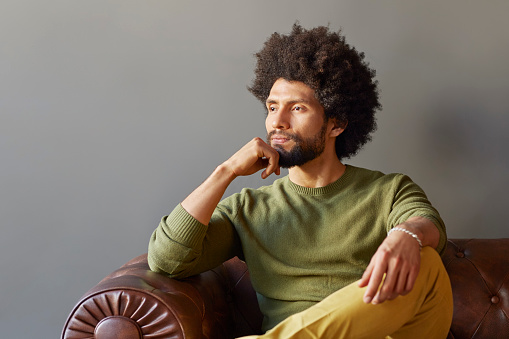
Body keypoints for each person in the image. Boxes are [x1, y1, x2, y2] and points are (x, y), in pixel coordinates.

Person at [148, 23, 453, 338]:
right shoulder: (249, 208)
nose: (278, 122)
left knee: (426, 260)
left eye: (297, 108)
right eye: (272, 107)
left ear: (336, 124)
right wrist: (225, 172)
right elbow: (167, 261)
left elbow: (429, 224)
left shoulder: (388, 191)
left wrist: (407, 234)